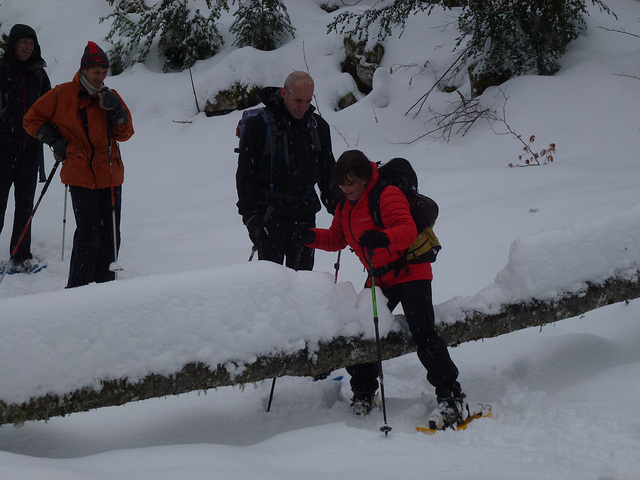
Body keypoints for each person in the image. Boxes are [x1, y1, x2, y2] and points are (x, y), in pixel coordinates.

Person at [295, 149, 469, 430]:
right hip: (379, 275)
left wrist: (383, 237)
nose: (346, 189)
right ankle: (364, 391)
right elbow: (337, 238)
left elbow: (407, 230)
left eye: (351, 183)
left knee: (422, 332)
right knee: (362, 329)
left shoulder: (386, 194)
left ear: (365, 178)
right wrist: (310, 237)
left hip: (411, 270)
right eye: (342, 184)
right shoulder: (345, 206)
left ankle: (451, 396)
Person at [24, 41, 134, 288]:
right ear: (84, 70)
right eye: (96, 71)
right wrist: (55, 141)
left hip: (110, 175)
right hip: (80, 175)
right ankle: (78, 291)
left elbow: (126, 134)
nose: (101, 77)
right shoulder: (63, 94)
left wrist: (117, 112)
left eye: (104, 72)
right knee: (88, 235)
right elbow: (30, 120)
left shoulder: (110, 97)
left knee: (111, 237)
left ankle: (106, 286)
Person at [235, 71, 336, 271]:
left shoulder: (318, 127)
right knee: (271, 284)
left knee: (304, 282)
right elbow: (245, 177)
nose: (303, 107)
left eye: (308, 101)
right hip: (269, 217)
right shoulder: (259, 126)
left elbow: (328, 173)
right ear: (284, 93)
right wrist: (252, 219)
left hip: (305, 214)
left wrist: (340, 209)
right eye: (298, 100)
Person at [0, 24, 51, 273]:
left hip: (30, 150)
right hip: (2, 149)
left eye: (31, 43)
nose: (28, 47)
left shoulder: (38, 74)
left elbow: (51, 109)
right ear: (14, 43)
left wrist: (56, 138)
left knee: (25, 204)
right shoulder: (2, 71)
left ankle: (20, 256)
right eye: (24, 42)